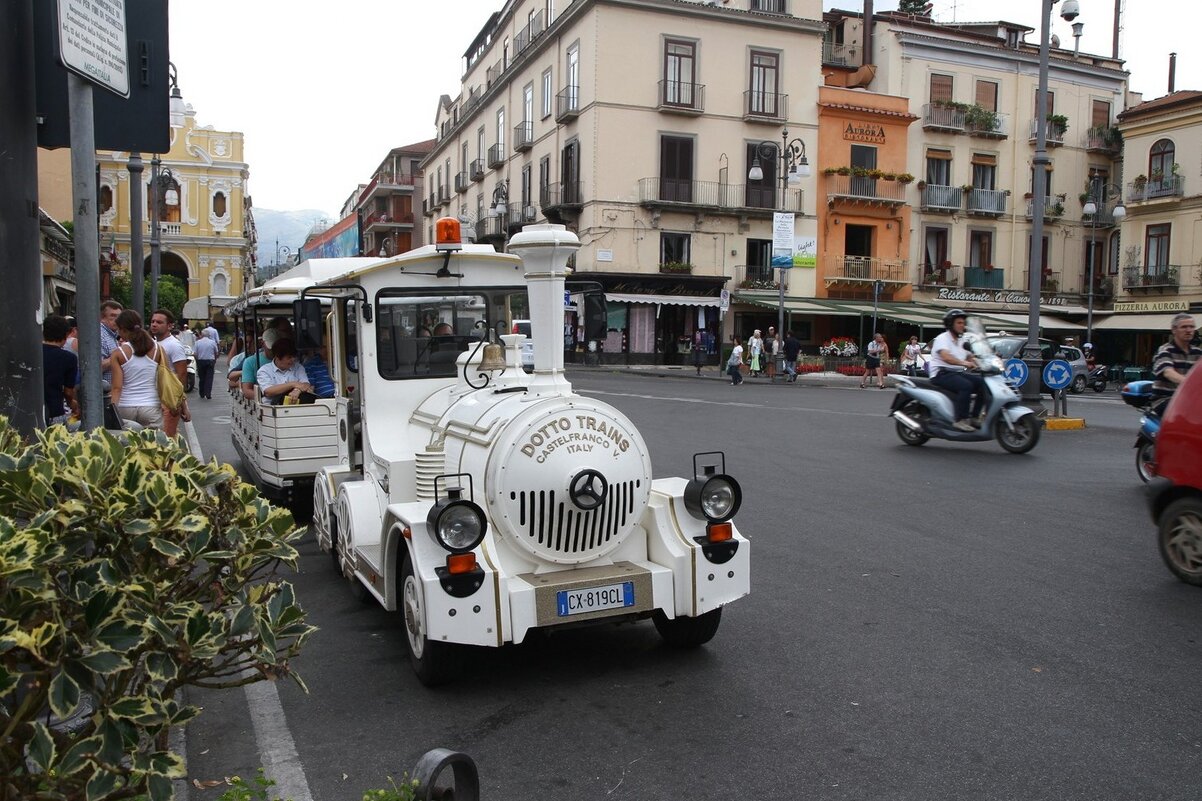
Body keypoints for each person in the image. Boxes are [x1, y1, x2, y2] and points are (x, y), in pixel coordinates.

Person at [928, 309, 986, 432]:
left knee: (983, 383)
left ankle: (974, 417)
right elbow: (946, 357)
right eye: (959, 323)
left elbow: (970, 356)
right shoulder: (942, 338)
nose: (962, 325)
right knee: (966, 386)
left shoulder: (962, 340)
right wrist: (965, 363)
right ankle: (961, 420)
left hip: (956, 373)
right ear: (951, 324)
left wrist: (984, 363)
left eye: (963, 323)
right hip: (941, 373)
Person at [109, 310, 163, 430]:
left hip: (125, 407)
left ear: (123, 329)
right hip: (151, 406)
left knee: (128, 446)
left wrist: (112, 410)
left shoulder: (118, 353)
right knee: (153, 446)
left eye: (118, 330)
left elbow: (117, 387)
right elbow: (164, 378)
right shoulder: (158, 349)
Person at [150, 309, 189, 436]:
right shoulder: (153, 343)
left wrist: (178, 403)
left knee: (167, 439)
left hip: (169, 400)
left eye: (159, 322)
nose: (154, 324)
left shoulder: (174, 345)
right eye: (153, 321)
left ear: (170, 326)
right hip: (155, 399)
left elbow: (182, 374)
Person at [1152, 313, 1201, 406]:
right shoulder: (1164, 350)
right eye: (1184, 327)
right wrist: (1191, 383)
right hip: (1165, 400)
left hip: (1188, 400)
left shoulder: (1198, 353)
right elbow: (1168, 372)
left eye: (1192, 327)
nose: (1188, 330)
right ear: (1174, 330)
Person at [42, 314, 78, 427]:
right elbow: (68, 392)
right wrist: (72, 403)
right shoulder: (69, 358)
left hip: (31, 410)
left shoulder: (33, 353)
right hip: (55, 412)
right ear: (66, 334)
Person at [256, 339, 314, 404]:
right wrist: (293, 384)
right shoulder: (264, 370)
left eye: (294, 356)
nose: (293, 359)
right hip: (272, 408)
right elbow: (268, 391)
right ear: (277, 357)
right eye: (289, 357)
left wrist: (297, 390)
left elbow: (306, 384)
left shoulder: (298, 367)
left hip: (296, 406)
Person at [99, 300, 123, 384]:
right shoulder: (100, 335)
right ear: (102, 317)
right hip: (102, 391)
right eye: (113, 316)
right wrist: (120, 354)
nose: (117, 320)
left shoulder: (113, 334)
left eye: (119, 317)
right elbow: (97, 367)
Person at [193, 332, 219, 399]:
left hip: (200, 361)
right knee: (209, 378)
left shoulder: (197, 342)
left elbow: (195, 354)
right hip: (210, 361)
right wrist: (215, 360)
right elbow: (216, 352)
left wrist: (197, 361)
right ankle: (208, 394)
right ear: (209, 336)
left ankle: (202, 393)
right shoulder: (212, 342)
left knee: (202, 378)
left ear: (202, 335)